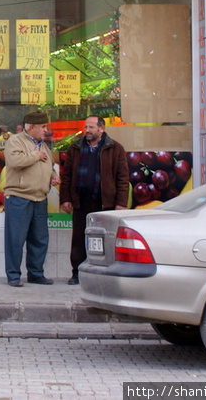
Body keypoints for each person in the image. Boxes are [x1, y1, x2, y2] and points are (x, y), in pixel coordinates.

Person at [59, 116, 129, 285]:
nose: (87, 130)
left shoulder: (115, 148)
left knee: (105, 239)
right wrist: (65, 198)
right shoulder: (75, 148)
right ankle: (77, 273)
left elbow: (122, 177)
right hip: (81, 201)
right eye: (86, 127)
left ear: (101, 129)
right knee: (79, 239)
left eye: (91, 127)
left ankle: (104, 275)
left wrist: (121, 203)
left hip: (105, 203)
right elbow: (66, 175)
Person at [2, 111, 59, 287]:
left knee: (39, 239)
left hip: (39, 198)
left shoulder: (43, 145)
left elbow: (49, 163)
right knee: (16, 239)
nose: (46, 130)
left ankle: (36, 273)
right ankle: (13, 275)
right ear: (31, 127)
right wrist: (36, 155)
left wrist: (53, 176)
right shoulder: (15, 141)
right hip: (19, 197)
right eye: (43, 127)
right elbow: (15, 161)